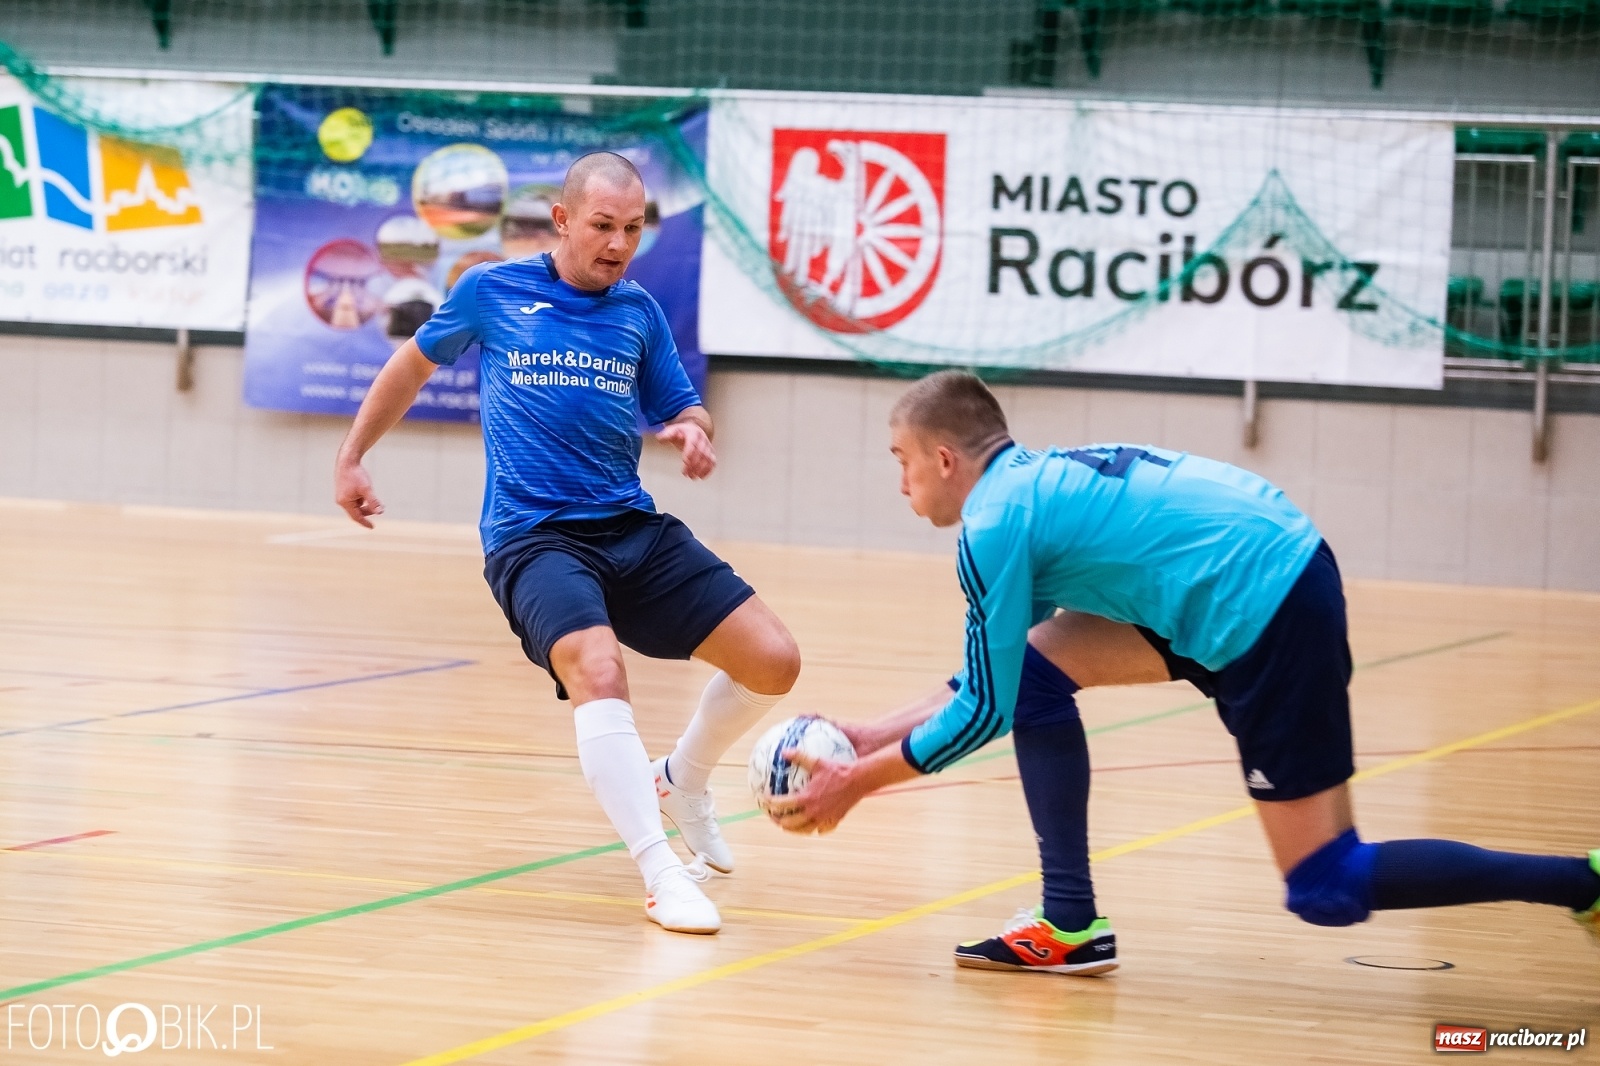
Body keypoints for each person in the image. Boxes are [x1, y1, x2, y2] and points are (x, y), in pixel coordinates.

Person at [774, 369, 1600, 973]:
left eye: (901, 459)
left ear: (946, 458)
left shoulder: (991, 526)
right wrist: (868, 733)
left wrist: (859, 783)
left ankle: (1581, 882)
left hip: (1263, 600)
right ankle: (1068, 924)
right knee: (1032, 676)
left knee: (1325, 882)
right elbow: (986, 683)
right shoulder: (1026, 490)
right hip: (1254, 571)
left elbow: (982, 715)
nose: (900, 480)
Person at [334, 152, 801, 936]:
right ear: (561, 221)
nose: (618, 243)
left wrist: (690, 430)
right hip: (533, 538)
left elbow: (686, 407)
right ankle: (660, 874)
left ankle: (682, 778)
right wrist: (353, 456)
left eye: (631, 229)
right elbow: (409, 368)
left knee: (774, 660)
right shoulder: (492, 292)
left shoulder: (639, 312)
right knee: (597, 667)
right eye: (602, 226)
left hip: (629, 526)